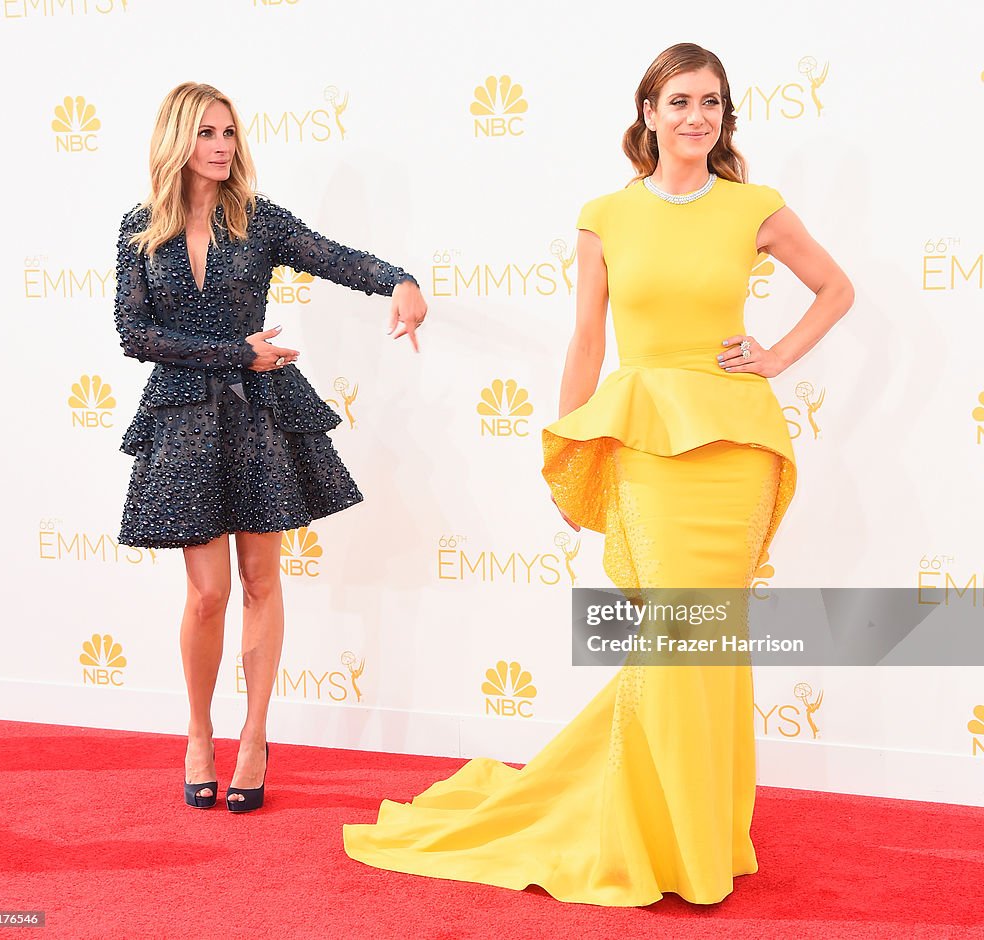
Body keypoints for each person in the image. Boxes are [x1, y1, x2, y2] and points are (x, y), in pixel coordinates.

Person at [342, 43, 853, 905]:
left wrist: (775, 357)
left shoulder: (756, 207)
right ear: (647, 112)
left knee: (710, 641)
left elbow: (835, 289)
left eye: (713, 103)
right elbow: (587, 340)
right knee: (673, 642)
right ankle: (652, 835)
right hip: (647, 447)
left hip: (733, 448)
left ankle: (699, 838)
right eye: (681, 101)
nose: (699, 117)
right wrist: (566, 443)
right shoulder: (605, 216)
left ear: (726, 118)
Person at [114, 82, 427, 813]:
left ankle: (254, 735)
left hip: (258, 417)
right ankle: (199, 732)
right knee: (206, 594)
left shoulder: (260, 222)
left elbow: (338, 257)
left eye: (229, 132)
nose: (222, 146)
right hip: (186, 417)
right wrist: (233, 352)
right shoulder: (139, 228)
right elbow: (135, 335)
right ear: (176, 141)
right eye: (206, 133)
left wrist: (400, 280)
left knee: (260, 582)